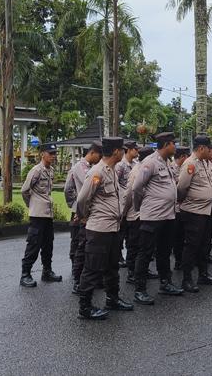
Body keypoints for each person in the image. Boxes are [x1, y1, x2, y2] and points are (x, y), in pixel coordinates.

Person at [75, 137, 134, 320]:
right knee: (92, 268)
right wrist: (84, 216)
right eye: (122, 150)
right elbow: (82, 199)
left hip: (112, 227)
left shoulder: (111, 171)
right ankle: (85, 307)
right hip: (99, 228)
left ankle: (112, 298)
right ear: (116, 152)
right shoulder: (97, 171)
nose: (124, 152)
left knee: (112, 266)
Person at [131, 132, 184, 305]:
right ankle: (140, 290)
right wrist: (141, 207)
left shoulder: (166, 163)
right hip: (153, 216)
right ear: (167, 145)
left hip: (168, 215)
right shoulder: (150, 162)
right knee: (145, 252)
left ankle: (165, 283)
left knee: (164, 251)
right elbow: (137, 187)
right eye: (173, 144)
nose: (175, 147)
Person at [177, 135, 212, 293]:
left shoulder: (205, 162)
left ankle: (203, 274)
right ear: (201, 148)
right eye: (208, 148)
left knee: (205, 244)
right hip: (194, 211)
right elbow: (182, 188)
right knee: (191, 246)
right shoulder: (190, 163)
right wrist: (184, 203)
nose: (211, 151)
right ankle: (186, 279)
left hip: (207, 210)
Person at [19, 142, 62, 288]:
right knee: (34, 244)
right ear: (42, 154)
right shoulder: (36, 170)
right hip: (37, 214)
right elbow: (25, 190)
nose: (53, 156)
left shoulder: (50, 171)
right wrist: (31, 205)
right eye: (51, 153)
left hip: (47, 214)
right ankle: (25, 274)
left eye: (55, 153)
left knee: (48, 244)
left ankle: (47, 271)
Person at [64, 141, 102, 292]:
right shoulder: (80, 167)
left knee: (89, 245)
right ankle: (77, 279)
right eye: (98, 155)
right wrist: (74, 207)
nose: (99, 158)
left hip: (89, 212)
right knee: (80, 246)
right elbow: (68, 189)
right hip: (81, 212)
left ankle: (89, 278)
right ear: (92, 153)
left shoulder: (93, 167)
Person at [121, 146, 156, 286]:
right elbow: (129, 193)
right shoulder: (136, 170)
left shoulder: (145, 168)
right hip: (135, 214)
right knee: (134, 244)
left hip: (146, 213)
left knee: (145, 245)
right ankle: (131, 272)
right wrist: (124, 213)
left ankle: (143, 270)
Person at [115, 140, 140, 268]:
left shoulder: (136, 164)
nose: (137, 151)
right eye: (135, 149)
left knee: (131, 234)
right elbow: (116, 183)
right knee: (121, 232)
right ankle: (118, 256)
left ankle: (130, 258)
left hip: (132, 204)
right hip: (122, 202)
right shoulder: (120, 165)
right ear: (129, 150)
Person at [171, 146, 191, 270]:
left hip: (184, 207)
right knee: (177, 237)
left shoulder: (184, 167)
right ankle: (178, 261)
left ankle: (184, 260)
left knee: (184, 235)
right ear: (183, 156)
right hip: (174, 208)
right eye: (187, 156)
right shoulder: (171, 168)